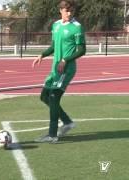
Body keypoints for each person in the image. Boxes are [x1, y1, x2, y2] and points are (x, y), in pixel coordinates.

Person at [32, 0, 86, 143]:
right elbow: (54, 46)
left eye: (71, 10)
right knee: (44, 96)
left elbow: (82, 50)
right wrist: (42, 55)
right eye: (66, 10)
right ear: (60, 10)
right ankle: (68, 122)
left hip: (66, 69)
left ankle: (52, 134)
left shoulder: (77, 27)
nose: (69, 13)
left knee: (54, 97)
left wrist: (65, 59)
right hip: (55, 69)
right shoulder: (55, 25)